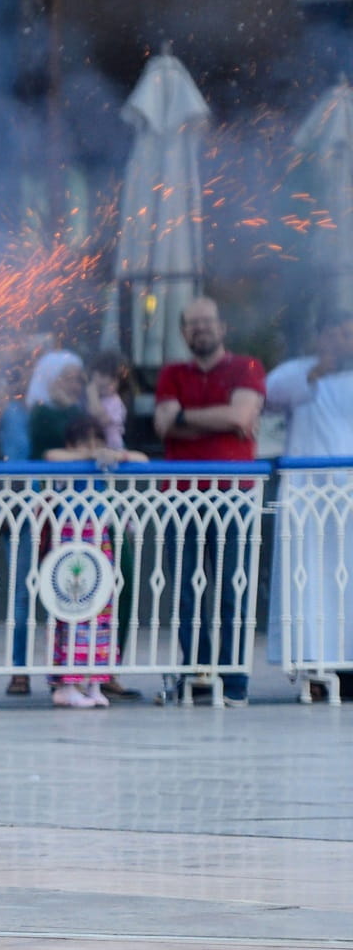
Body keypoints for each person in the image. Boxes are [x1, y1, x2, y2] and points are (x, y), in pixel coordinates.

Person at [153, 296, 264, 707]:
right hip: (181, 498)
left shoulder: (246, 367)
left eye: (207, 322)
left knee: (234, 589)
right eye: (192, 324)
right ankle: (199, 676)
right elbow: (164, 423)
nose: (200, 329)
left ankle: (233, 680)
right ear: (183, 332)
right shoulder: (171, 373)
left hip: (234, 496)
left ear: (222, 328)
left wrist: (185, 418)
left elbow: (240, 419)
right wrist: (220, 418)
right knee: (187, 591)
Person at [265, 309, 353, 700]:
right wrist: (316, 371)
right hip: (307, 501)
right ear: (321, 337)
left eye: (349, 336)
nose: (343, 342)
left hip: (347, 501)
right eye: (336, 334)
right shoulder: (297, 371)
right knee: (311, 586)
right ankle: (314, 668)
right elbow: (267, 395)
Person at [41, 416, 147, 708]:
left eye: (96, 440)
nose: (92, 447)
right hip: (70, 543)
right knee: (71, 611)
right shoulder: (69, 464)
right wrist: (88, 456)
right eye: (83, 441)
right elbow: (50, 456)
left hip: (99, 542)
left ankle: (94, 681)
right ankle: (66, 682)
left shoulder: (106, 463)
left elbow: (142, 460)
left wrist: (117, 455)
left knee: (101, 610)